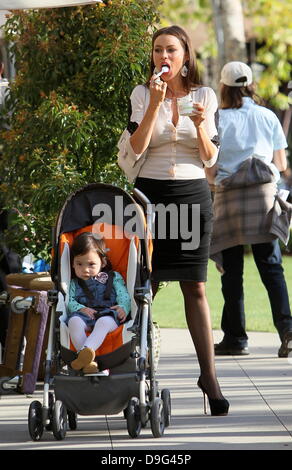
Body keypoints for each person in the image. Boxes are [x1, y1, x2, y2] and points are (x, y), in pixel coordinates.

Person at [121, 25, 229, 415]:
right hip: (148, 198)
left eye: (170, 50)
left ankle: (210, 377)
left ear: (185, 57)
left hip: (191, 194)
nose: (162, 57)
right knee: (141, 286)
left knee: (195, 287)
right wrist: (153, 104)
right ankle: (131, 372)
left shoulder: (205, 95)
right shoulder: (140, 93)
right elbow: (136, 148)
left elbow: (209, 158)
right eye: (156, 50)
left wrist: (200, 124)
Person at [207, 61, 292, 358]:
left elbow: (211, 168)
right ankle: (288, 332)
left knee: (231, 272)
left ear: (224, 87)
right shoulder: (268, 116)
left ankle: (235, 338)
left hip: (229, 198)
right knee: (271, 268)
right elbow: (281, 164)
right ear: (251, 84)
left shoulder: (217, 119)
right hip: (263, 197)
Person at [67, 232, 131, 374]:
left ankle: (83, 354)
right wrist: (81, 308)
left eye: (91, 264)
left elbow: (123, 295)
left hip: (109, 313)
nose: (85, 269)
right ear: (72, 263)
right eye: (79, 264)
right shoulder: (73, 283)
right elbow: (70, 300)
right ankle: (90, 363)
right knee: (74, 322)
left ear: (103, 262)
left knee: (103, 322)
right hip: (85, 314)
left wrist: (123, 308)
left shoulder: (113, 277)